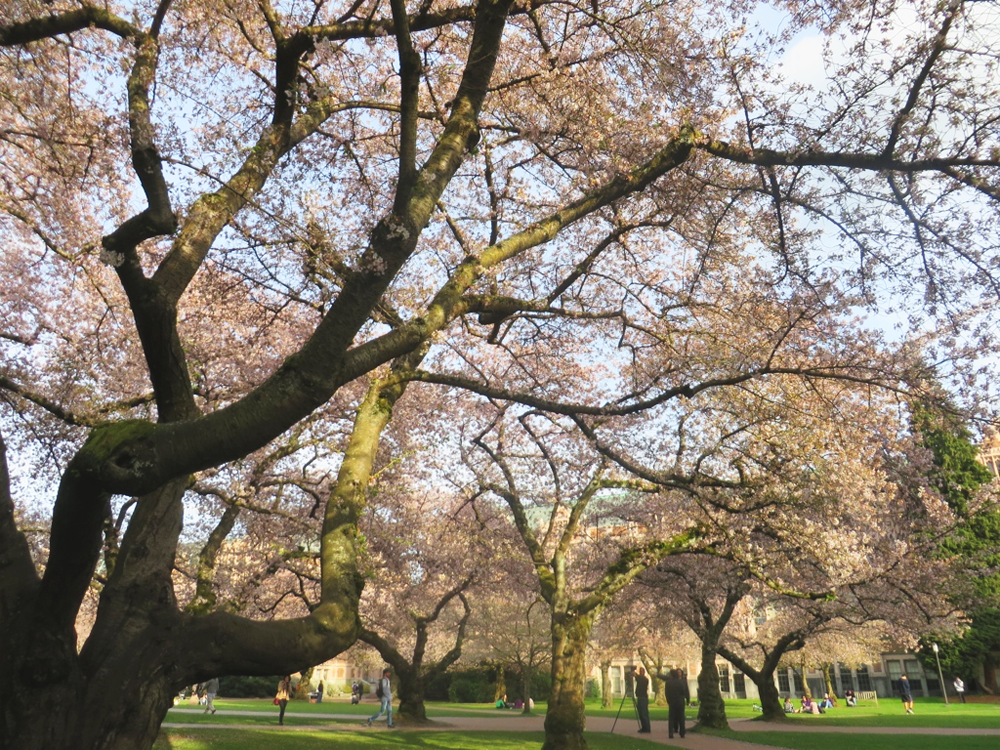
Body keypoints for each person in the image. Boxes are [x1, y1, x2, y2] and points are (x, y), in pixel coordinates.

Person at [664, 668, 689, 739]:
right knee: (681, 717)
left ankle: (670, 733)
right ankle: (682, 732)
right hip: (680, 701)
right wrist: (686, 699)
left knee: (671, 718)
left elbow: (667, 693)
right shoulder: (681, 682)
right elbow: (683, 691)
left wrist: (669, 700)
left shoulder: (668, 683)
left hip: (672, 701)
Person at [634, 666, 651, 734]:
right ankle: (644, 727)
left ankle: (646, 727)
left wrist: (635, 674)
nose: (641, 673)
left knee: (644, 713)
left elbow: (639, 678)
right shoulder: (641, 678)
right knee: (641, 713)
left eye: (641, 671)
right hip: (640, 697)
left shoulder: (644, 679)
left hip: (643, 697)